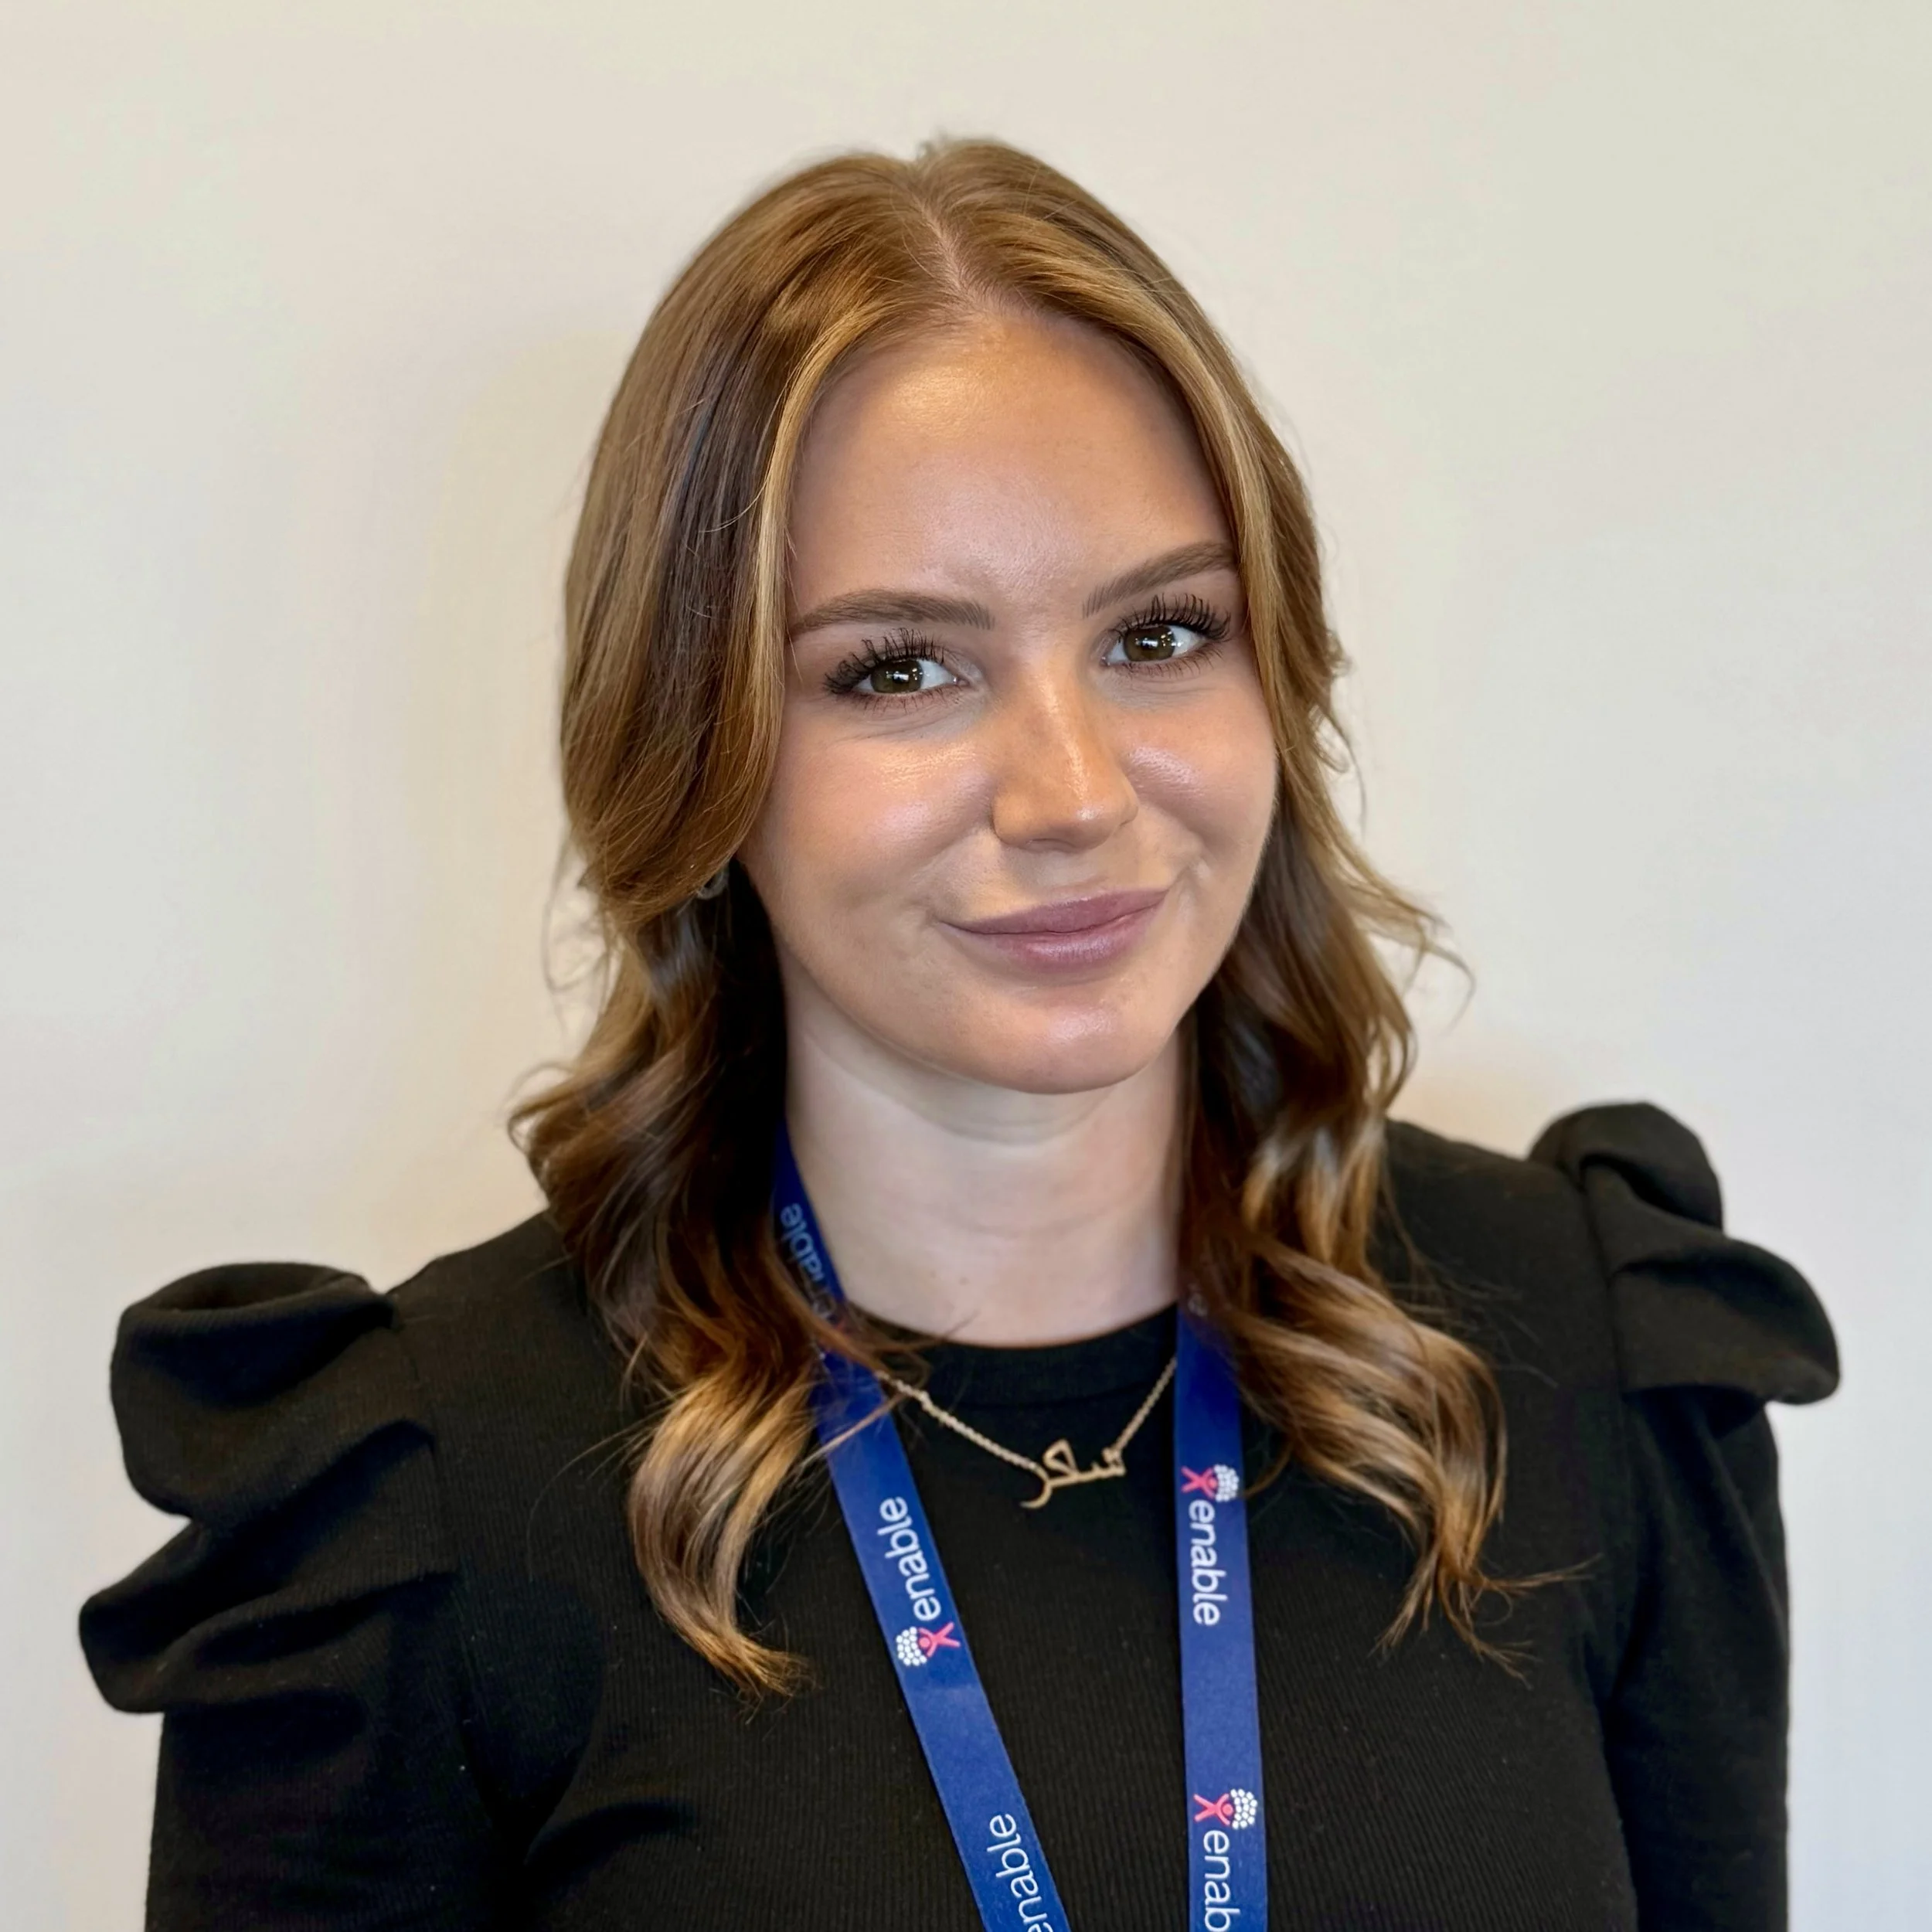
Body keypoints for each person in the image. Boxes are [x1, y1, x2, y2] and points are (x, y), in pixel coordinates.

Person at [80, 139, 1838, 1931]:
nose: (1071, 791)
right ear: (695, 747)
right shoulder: (420, 1506)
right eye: (898, 668)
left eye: (1159, 631)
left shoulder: (1594, 1355)